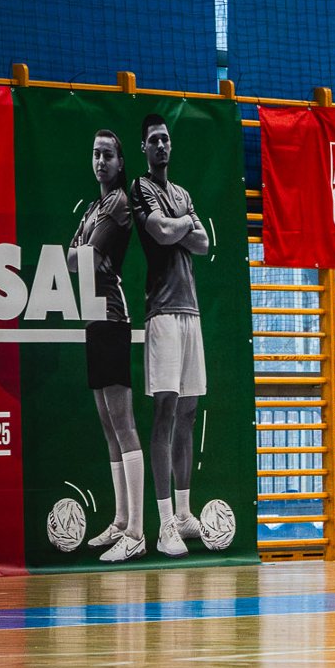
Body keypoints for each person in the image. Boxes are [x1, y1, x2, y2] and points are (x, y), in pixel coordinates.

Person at [131, 113, 211, 557]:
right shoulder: (141, 189)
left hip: (192, 311)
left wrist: (178, 225)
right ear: (144, 148)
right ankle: (162, 524)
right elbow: (162, 233)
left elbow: (202, 243)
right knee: (164, 410)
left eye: (165, 140)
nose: (161, 146)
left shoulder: (180, 193)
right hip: (161, 311)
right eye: (153, 140)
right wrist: (181, 224)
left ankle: (183, 514)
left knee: (188, 412)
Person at [68, 129, 145, 563]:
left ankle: (136, 531)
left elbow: (82, 256)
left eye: (108, 155)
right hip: (91, 320)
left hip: (113, 318)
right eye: (95, 154)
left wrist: (80, 251)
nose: (100, 161)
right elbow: (72, 256)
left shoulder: (117, 202)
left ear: (119, 163)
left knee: (124, 423)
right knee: (106, 425)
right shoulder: (93, 208)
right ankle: (119, 521)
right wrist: (79, 252)